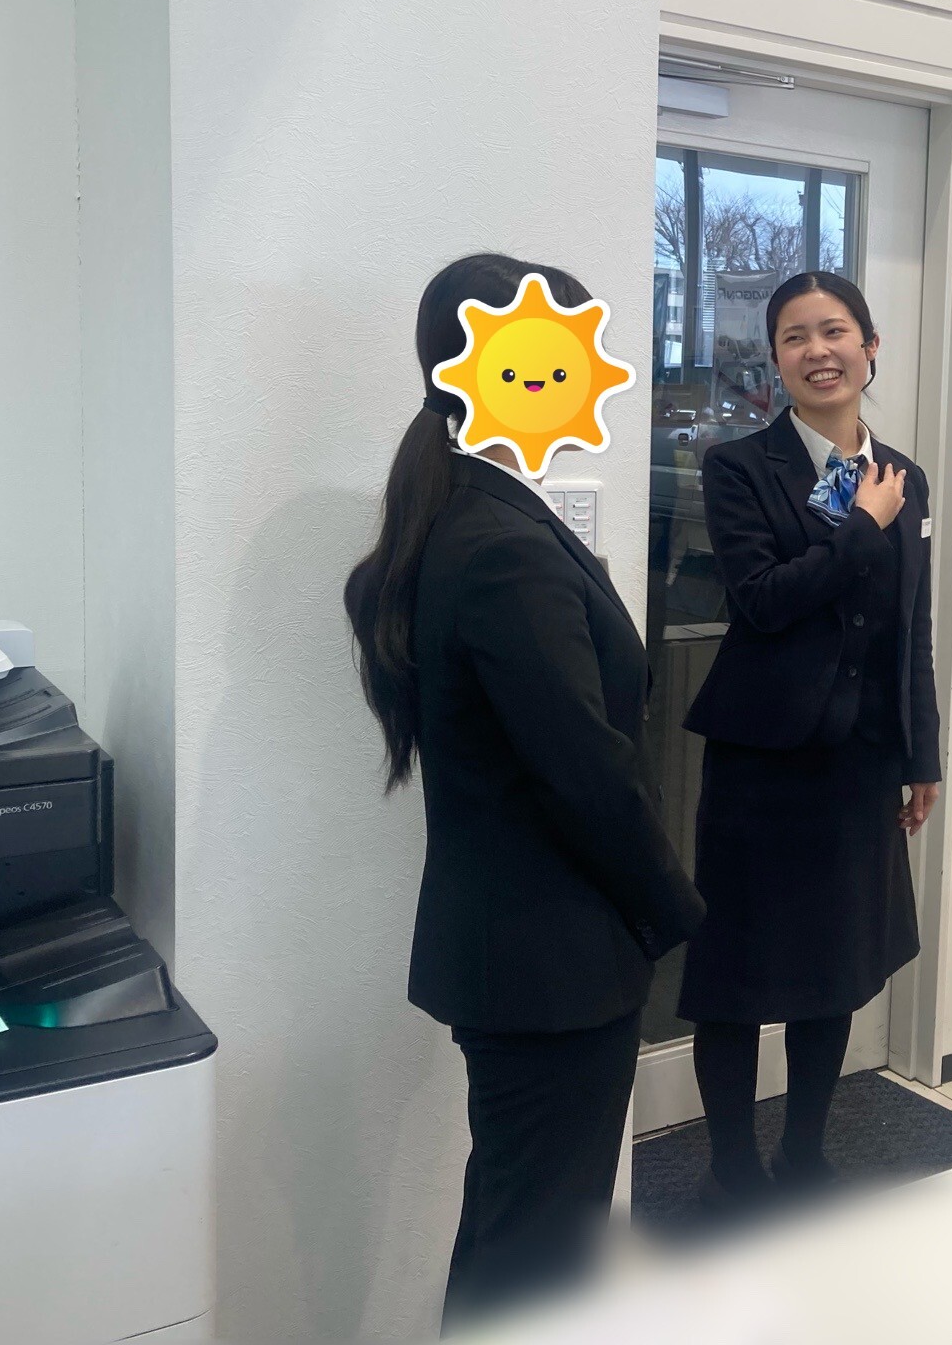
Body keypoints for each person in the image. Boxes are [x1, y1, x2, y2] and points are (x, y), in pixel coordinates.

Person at [343, 253, 702, 1332]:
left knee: (518, 1230)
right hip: (550, 963)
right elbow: (585, 771)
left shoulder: (474, 516)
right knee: (536, 1256)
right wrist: (674, 909)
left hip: (521, 954)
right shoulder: (501, 546)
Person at [678, 270, 942, 1210]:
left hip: (860, 762)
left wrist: (922, 754)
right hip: (763, 761)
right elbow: (762, 602)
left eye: (835, 331)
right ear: (776, 360)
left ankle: (802, 1153)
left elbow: (910, 627)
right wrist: (862, 527)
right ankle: (731, 1167)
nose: (818, 351)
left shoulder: (902, 475)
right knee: (737, 975)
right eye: (795, 337)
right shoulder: (739, 468)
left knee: (835, 967)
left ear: (871, 347)